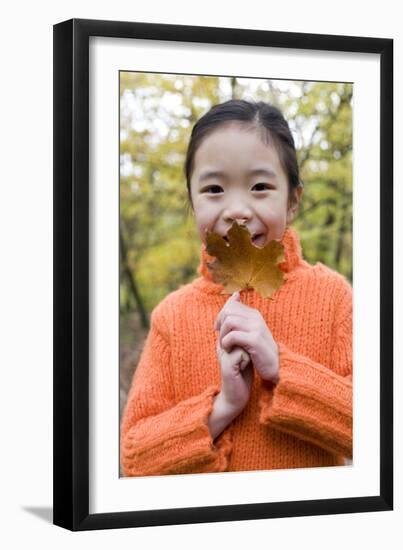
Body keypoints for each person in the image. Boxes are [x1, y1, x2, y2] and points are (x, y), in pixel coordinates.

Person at [120, 99, 352, 476]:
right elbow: (135, 456)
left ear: (293, 201)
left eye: (260, 186)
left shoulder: (333, 298)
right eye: (214, 189)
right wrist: (223, 406)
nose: (237, 210)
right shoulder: (172, 316)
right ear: (193, 204)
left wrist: (281, 369)